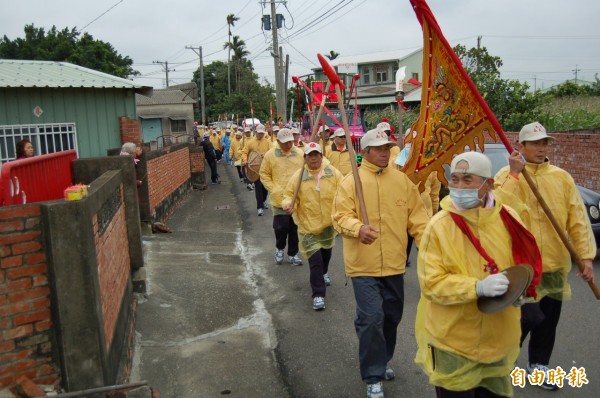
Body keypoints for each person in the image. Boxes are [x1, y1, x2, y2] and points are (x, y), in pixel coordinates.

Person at [415, 151, 542, 398]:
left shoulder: (509, 219)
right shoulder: (439, 226)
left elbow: (523, 263)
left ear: (488, 185)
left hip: (498, 339)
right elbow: (432, 283)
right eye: (455, 179)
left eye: (468, 180)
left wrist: (519, 290)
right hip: (453, 341)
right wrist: (477, 288)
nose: (459, 186)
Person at [494, 121, 596, 390]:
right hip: (521, 265)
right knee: (524, 317)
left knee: (548, 319)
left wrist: (585, 257)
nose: (541, 148)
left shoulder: (561, 177)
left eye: (544, 143)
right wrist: (515, 175)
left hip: (554, 262)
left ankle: (539, 365)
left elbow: (577, 219)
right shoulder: (507, 175)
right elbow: (497, 207)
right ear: (521, 146)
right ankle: (503, 362)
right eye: (535, 143)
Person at [332, 128, 430, 398]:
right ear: (365, 153)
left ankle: (382, 357)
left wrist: (432, 247)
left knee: (391, 316)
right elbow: (339, 216)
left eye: (387, 147)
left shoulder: (402, 182)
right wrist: (357, 228)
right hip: (363, 265)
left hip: (395, 265)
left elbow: (418, 219)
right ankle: (373, 374)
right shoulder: (351, 183)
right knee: (373, 317)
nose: (385, 152)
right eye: (378, 148)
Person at [282, 142, 344, 310]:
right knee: (315, 260)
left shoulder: (332, 173)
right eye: (310, 155)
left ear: (321, 156)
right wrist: (289, 204)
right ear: (305, 158)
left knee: (326, 255)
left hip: (328, 225)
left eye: (316, 154)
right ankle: (318, 294)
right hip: (307, 226)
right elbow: (288, 195)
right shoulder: (299, 176)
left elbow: (345, 191)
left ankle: (324, 273)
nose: (314, 157)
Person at [395, 128, 441, 266]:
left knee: (427, 254)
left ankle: (430, 277)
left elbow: (434, 193)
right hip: (400, 214)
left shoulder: (431, 165)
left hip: (423, 216)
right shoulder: (393, 164)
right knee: (401, 252)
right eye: (410, 144)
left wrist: (434, 214)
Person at [260, 128, 305, 266]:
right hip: (279, 198)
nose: (288, 144)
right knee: (281, 227)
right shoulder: (270, 155)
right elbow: (264, 174)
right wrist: (274, 189)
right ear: (278, 141)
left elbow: (306, 170)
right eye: (285, 142)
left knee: (294, 227)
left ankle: (293, 253)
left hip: (296, 198)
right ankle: (279, 248)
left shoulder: (299, 154)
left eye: (291, 141)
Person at [242, 124, 273, 216]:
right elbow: (244, 152)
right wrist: (245, 160)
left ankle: (263, 201)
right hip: (255, 170)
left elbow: (272, 151)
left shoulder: (268, 142)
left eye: (262, 133)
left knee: (265, 188)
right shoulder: (250, 142)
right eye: (259, 133)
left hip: (266, 168)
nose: (261, 135)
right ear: (256, 132)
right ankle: (259, 207)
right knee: (258, 187)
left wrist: (266, 155)